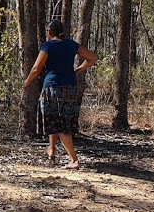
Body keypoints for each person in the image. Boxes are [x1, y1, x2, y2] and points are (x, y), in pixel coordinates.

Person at [22, 19, 98, 169]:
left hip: (53, 87)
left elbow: (37, 68)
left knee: (59, 123)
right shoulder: (71, 45)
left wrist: (27, 82)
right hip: (69, 88)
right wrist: (78, 70)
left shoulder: (48, 45)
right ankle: (52, 149)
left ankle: (74, 159)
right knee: (55, 119)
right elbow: (92, 58)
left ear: (49, 32)